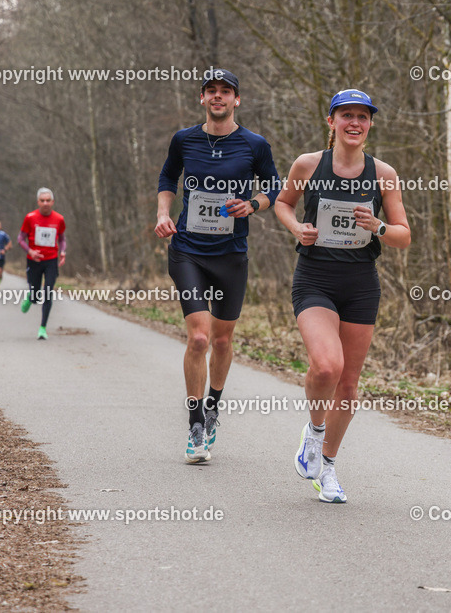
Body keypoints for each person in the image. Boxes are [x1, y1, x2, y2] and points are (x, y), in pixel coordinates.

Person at [275, 89, 411, 503]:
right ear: (331, 121)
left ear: (370, 124)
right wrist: (299, 229)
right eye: (346, 115)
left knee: (349, 385)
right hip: (315, 278)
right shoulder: (308, 164)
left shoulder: (383, 173)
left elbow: (404, 236)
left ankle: (328, 469)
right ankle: (314, 434)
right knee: (326, 367)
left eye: (363, 117)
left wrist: (378, 227)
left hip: (360, 284)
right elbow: (283, 204)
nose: (355, 123)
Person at [155, 68, 279, 464]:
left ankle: (213, 406)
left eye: (226, 91)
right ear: (203, 98)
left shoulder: (254, 144)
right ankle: (194, 425)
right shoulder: (184, 140)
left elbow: (274, 187)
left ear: (237, 100)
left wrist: (253, 204)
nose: (218, 97)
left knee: (223, 341)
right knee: (200, 339)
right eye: (211, 91)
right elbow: (167, 175)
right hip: (188, 249)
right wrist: (163, 212)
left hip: (231, 254)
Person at [18, 188, 66, 340]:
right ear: (38, 202)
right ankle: (31, 298)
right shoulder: (30, 217)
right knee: (36, 294)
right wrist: (30, 251)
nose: (45, 203)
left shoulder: (59, 219)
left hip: (51, 260)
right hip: (34, 261)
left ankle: (43, 328)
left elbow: (62, 239)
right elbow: (20, 238)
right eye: (42, 200)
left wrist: (63, 252)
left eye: (48, 200)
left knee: (48, 292)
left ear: (52, 202)